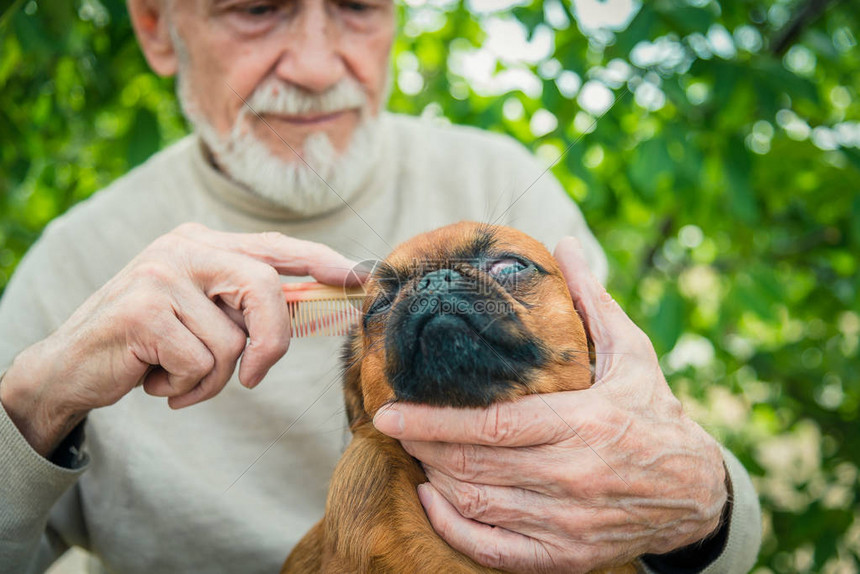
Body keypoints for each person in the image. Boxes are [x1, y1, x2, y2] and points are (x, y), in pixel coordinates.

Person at [0, 0, 761, 573]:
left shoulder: (503, 180)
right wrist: (32, 404)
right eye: (258, 10)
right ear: (158, 28)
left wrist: (699, 504)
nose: (316, 64)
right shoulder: (76, 264)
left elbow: (687, 485)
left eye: (358, 5)